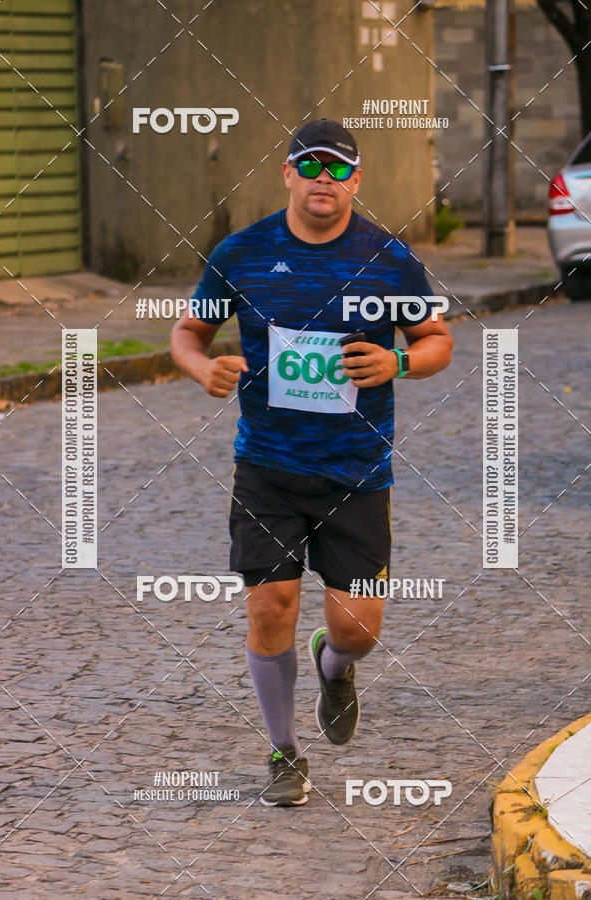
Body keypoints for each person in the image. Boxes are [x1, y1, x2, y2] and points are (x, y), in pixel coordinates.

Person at [170, 118, 453, 807]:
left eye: (338, 169)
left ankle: (336, 667)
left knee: (358, 631)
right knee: (271, 608)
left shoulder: (388, 258)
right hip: (266, 467)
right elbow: (188, 331)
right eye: (310, 166)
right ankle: (285, 752)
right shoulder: (241, 253)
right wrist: (199, 365)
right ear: (288, 173)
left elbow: (437, 339)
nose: (323, 180)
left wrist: (400, 360)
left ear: (355, 180)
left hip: (355, 471)